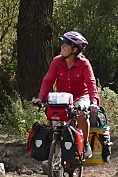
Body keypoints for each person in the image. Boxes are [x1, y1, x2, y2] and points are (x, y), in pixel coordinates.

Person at [34, 31, 100, 159]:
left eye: (65, 45)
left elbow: (91, 84)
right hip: (63, 97)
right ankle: (55, 152)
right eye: (62, 44)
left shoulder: (84, 64)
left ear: (74, 49)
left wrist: (94, 103)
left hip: (81, 96)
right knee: (54, 117)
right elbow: (48, 81)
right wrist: (40, 98)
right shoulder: (57, 61)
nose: (62, 47)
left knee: (81, 114)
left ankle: (85, 145)